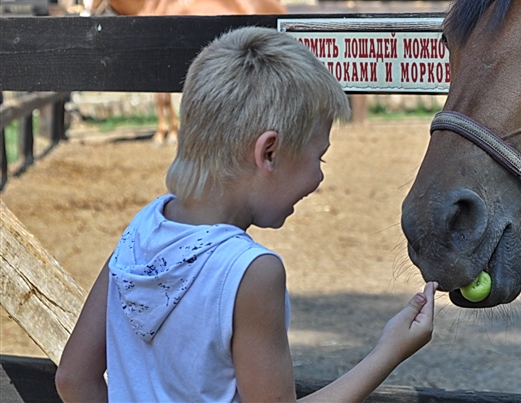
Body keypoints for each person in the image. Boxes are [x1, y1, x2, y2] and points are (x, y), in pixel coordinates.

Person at [55, 26, 437, 402]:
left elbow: (73, 379)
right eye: (318, 157)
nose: (319, 176)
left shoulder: (139, 232)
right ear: (268, 153)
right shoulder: (251, 272)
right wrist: (388, 352)